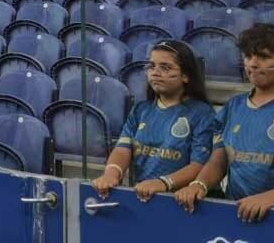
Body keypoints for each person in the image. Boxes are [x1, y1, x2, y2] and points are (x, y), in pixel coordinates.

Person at [176, 24, 274, 219]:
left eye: (263, 57)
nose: (253, 64)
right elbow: (219, 159)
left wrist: (270, 198)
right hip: (236, 213)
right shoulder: (232, 107)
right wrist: (200, 183)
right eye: (248, 56)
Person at [92, 40, 216, 202]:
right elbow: (122, 149)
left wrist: (163, 183)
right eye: (151, 66)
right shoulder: (140, 110)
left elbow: (199, 165)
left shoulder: (202, 113)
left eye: (165, 67)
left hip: (182, 202)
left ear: (185, 76)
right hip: (141, 196)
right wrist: (111, 173)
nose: (155, 72)